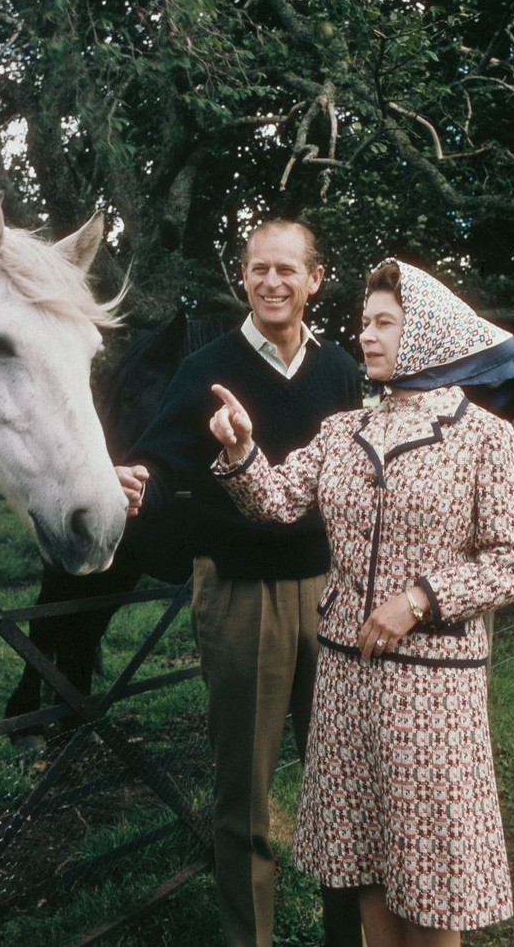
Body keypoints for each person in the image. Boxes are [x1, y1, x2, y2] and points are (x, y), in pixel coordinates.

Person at [209, 257, 514, 947]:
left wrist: (418, 599)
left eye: (386, 322)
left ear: (426, 332)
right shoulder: (340, 431)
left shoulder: (483, 437)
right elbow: (273, 501)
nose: (366, 336)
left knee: (430, 883)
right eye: (364, 323)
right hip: (344, 681)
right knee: (365, 872)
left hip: (433, 692)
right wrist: (242, 449)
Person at [118, 219, 364, 947]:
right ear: (245, 277)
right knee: (244, 796)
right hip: (241, 596)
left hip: (329, 594)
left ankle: (345, 936)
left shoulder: (341, 368)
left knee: (339, 789)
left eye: (287, 270)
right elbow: (162, 463)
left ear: (314, 280)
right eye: (259, 269)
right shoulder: (207, 367)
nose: (272, 283)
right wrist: (140, 483)